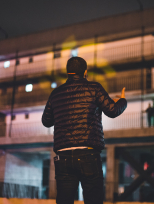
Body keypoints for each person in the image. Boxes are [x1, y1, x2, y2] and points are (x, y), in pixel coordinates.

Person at [42, 57, 127, 204]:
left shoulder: (55, 94)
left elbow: (46, 121)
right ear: (85, 72)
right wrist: (122, 101)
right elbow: (112, 111)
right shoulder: (94, 88)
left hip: (64, 157)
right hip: (88, 155)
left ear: (68, 73)